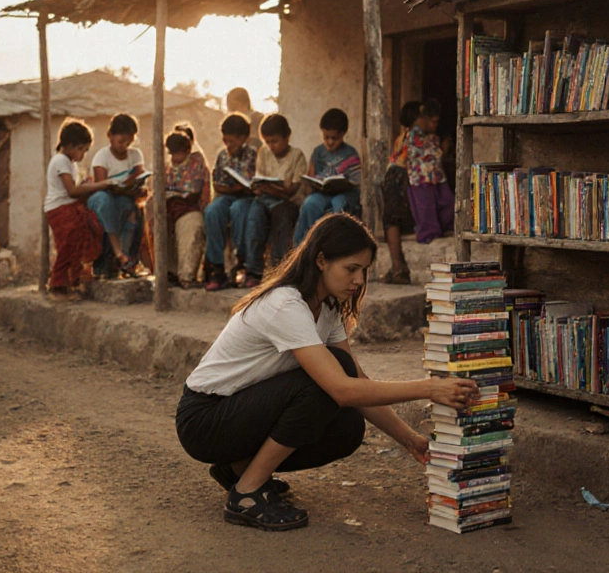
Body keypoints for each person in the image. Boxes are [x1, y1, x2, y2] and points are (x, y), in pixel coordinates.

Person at [175, 213, 479, 531]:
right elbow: (341, 388)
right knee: (328, 382)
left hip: (237, 414)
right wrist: (430, 388)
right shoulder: (285, 305)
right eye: (351, 269)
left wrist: (410, 440)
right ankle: (247, 492)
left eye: (364, 271)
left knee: (347, 429)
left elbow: (358, 384)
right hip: (204, 419)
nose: (360, 280)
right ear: (321, 260)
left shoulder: (327, 307)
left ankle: (239, 468)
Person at [44, 119, 113, 301]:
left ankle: (71, 284)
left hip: (68, 207)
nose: (83, 154)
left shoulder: (70, 164)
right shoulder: (60, 161)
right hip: (60, 209)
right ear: (72, 146)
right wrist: (99, 185)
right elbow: (72, 191)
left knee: (76, 245)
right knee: (67, 247)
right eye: (82, 150)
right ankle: (57, 287)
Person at [242, 113, 306, 288]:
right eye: (267, 141)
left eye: (275, 141)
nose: (271, 146)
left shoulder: (297, 156)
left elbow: (292, 189)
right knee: (254, 215)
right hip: (265, 200)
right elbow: (259, 181)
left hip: (288, 202)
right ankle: (253, 269)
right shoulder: (264, 153)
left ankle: (279, 269)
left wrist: (273, 189)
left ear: (287, 136)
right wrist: (264, 188)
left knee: (282, 215)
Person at [88, 113, 147, 278]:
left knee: (129, 208)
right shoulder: (102, 155)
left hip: (124, 198)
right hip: (104, 197)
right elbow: (101, 185)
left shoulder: (135, 155)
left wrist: (135, 188)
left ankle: (126, 259)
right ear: (110, 136)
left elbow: (139, 176)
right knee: (106, 202)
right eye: (121, 141)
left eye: (129, 142)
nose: (124, 146)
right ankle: (116, 252)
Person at [203, 113, 257, 291]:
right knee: (212, 210)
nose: (228, 145)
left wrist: (242, 188)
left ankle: (241, 261)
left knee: (238, 210)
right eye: (225, 141)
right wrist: (228, 188)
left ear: (243, 138)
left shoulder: (253, 155)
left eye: (232, 142)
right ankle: (217, 267)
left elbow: (255, 183)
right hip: (226, 195)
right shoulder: (222, 156)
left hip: (246, 198)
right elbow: (217, 182)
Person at [293, 108, 361, 245]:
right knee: (309, 204)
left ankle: (337, 244)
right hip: (322, 193)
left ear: (343, 134)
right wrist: (312, 182)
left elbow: (355, 181)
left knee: (339, 204)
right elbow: (311, 176)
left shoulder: (350, 154)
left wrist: (343, 184)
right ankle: (306, 245)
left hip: (344, 194)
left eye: (334, 138)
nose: (329, 142)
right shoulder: (318, 152)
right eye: (326, 137)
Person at [380, 101, 421, 284]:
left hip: (395, 188)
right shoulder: (414, 137)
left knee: (390, 220)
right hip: (399, 188)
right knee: (391, 219)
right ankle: (398, 267)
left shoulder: (401, 137)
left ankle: (397, 267)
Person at [162, 129, 208, 288]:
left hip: (190, 208)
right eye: (172, 154)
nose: (175, 158)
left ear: (187, 150)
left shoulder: (196, 163)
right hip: (171, 209)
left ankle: (187, 276)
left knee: (191, 226)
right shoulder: (167, 166)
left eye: (178, 153)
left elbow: (196, 190)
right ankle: (168, 272)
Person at [405, 99, 456, 244]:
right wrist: (444, 149)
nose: (435, 125)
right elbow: (432, 154)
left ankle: (447, 228)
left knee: (447, 203)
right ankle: (429, 235)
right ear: (423, 119)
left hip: (437, 176)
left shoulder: (431, 137)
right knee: (425, 208)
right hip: (420, 178)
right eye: (433, 122)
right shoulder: (413, 135)